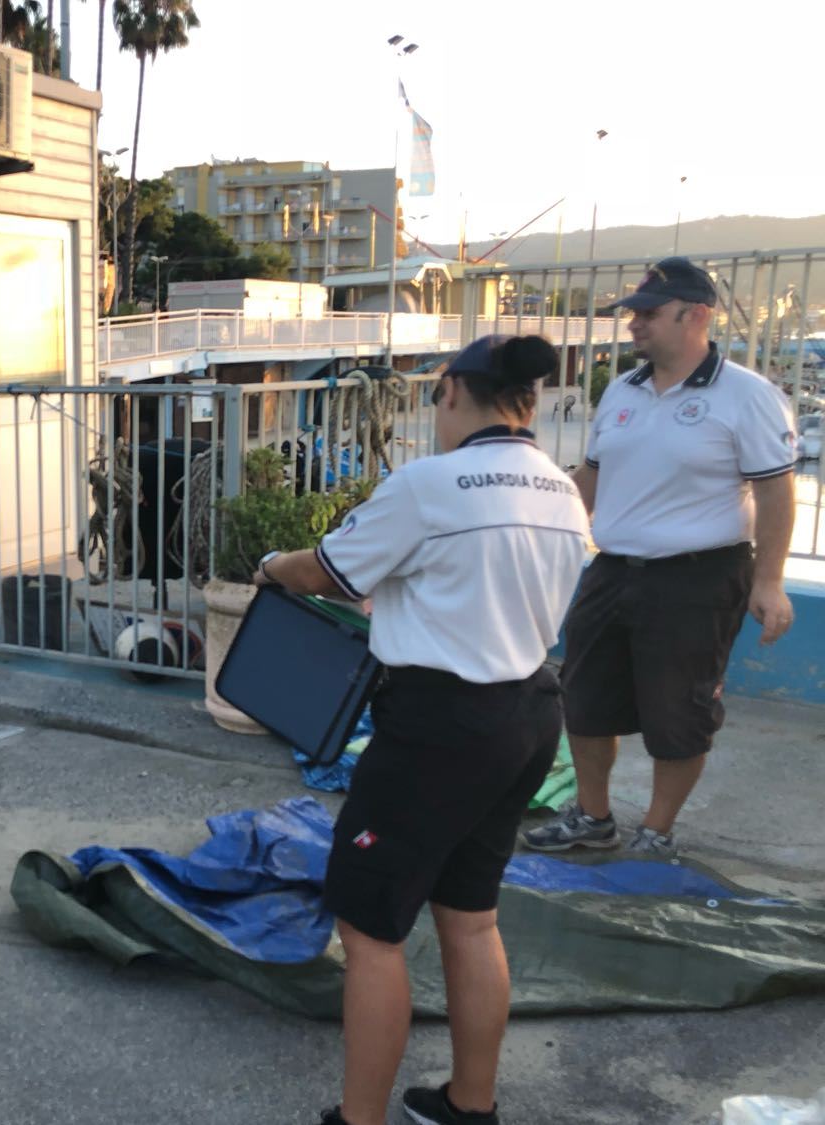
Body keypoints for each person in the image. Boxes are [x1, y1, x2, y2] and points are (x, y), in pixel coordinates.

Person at [256, 336, 590, 1125]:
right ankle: (470, 1105)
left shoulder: (430, 485)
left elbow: (328, 571)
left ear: (448, 392)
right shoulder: (561, 490)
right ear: (530, 403)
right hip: (531, 713)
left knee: (370, 928)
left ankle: (359, 1117)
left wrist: (272, 562)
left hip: (439, 726)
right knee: (472, 917)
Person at [522, 257, 797, 858]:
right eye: (632, 313)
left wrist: (770, 581)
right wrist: (534, 527)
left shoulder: (747, 396)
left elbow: (777, 491)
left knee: (681, 714)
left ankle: (657, 831)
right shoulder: (624, 388)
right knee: (586, 702)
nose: (633, 325)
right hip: (613, 569)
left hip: (698, 578)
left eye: (647, 313)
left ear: (695, 315)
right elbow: (590, 477)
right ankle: (593, 819)